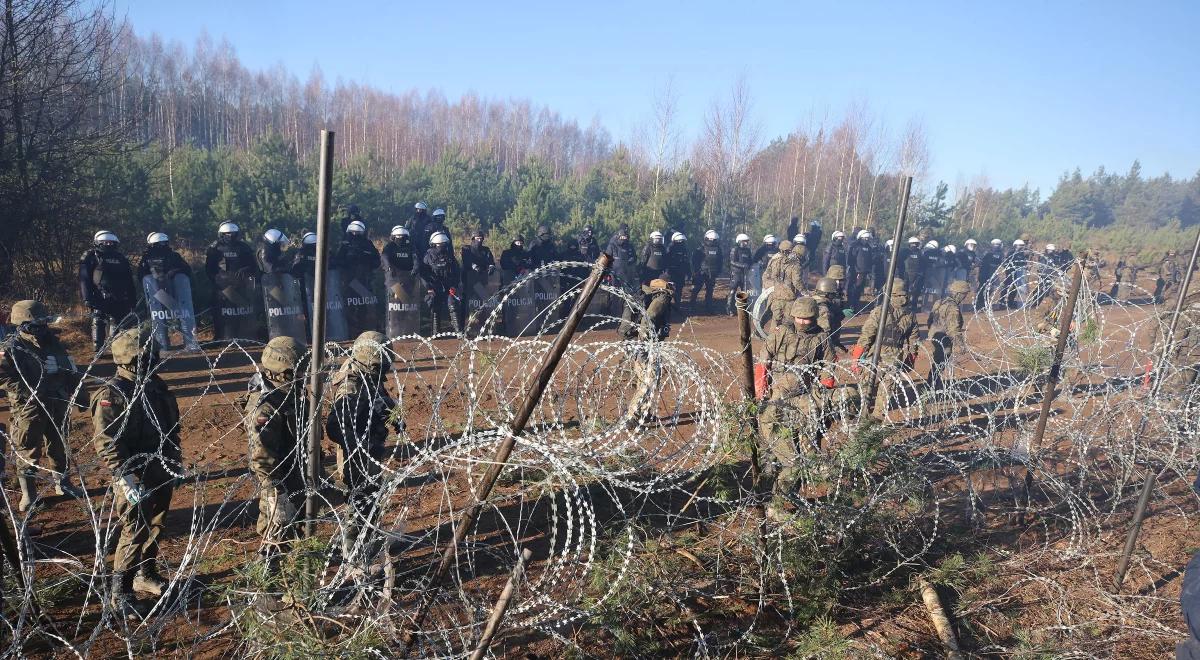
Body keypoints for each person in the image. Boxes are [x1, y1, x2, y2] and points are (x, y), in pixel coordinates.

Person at [91, 328, 180, 616]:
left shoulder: (156, 387)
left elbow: (171, 429)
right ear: (129, 359)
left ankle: (146, 572)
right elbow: (106, 442)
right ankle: (121, 590)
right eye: (147, 357)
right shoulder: (112, 394)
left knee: (157, 523)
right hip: (132, 472)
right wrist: (125, 477)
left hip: (160, 467)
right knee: (135, 526)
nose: (153, 361)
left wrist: (175, 461)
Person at [0, 300, 87, 512]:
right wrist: (28, 391)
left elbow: (70, 368)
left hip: (56, 400)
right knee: (28, 448)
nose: (41, 327)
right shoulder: (11, 347)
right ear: (22, 324)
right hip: (28, 407)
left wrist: (80, 393)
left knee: (59, 444)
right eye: (36, 323)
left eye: (43, 322)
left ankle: (63, 483)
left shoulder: (53, 342)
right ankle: (29, 494)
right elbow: (3, 376)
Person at [325, 331, 402, 564]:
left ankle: (366, 540)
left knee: (370, 499)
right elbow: (335, 426)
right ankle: (354, 555)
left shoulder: (369, 374)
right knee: (359, 500)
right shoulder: (351, 384)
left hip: (370, 448)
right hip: (357, 453)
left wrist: (391, 413)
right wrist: (359, 447)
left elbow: (379, 398)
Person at [757, 297, 835, 519]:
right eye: (799, 317)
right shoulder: (781, 332)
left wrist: (823, 394)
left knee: (801, 452)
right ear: (793, 316)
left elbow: (829, 367)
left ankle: (782, 498)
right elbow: (765, 358)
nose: (802, 322)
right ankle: (767, 494)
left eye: (807, 318)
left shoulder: (821, 337)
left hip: (803, 400)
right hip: (776, 399)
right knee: (773, 449)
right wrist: (761, 386)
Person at [244, 336, 310, 573]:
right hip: (280, 480)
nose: (305, 375)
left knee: (298, 528)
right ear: (285, 371)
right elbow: (262, 456)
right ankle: (267, 583)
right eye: (300, 370)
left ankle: (293, 575)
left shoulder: (289, 395)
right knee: (277, 531)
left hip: (296, 474)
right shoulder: (267, 406)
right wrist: (276, 495)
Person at [850, 280, 919, 421]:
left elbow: (866, 336)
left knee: (866, 388)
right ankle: (875, 421)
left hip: (876, 356)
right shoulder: (910, 315)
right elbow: (914, 341)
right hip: (895, 359)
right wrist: (910, 360)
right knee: (885, 393)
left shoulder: (879, 311)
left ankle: (858, 414)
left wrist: (856, 358)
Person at [621, 278, 673, 424]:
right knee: (647, 380)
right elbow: (647, 320)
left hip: (642, 344)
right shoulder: (662, 299)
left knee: (647, 379)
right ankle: (633, 417)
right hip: (644, 346)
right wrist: (644, 347)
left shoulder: (654, 298)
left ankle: (644, 412)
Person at [138, 232, 200, 351]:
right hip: (169, 294)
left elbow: (141, 275)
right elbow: (187, 270)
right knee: (180, 316)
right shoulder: (172, 256)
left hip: (161, 294)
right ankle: (188, 344)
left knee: (163, 318)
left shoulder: (149, 258)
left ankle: (167, 345)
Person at [80, 230, 137, 353]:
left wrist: (132, 299)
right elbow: (85, 279)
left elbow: (129, 280)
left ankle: (115, 347)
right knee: (98, 319)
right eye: (106, 242)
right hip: (100, 295)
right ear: (98, 243)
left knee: (118, 322)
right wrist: (87, 298)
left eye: (111, 242)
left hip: (120, 296)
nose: (108, 244)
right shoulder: (91, 257)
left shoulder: (121, 258)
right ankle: (98, 348)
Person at [205, 222, 259, 338]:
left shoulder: (243, 247)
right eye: (227, 234)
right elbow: (209, 269)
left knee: (243, 312)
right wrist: (217, 281)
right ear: (221, 234)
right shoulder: (215, 248)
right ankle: (221, 337)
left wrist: (245, 270)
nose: (230, 236)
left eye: (232, 234)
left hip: (242, 286)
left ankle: (246, 336)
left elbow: (253, 266)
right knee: (221, 313)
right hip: (222, 288)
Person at [927, 280, 970, 391]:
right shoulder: (953, 308)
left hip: (933, 335)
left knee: (937, 361)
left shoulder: (939, 302)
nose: (964, 298)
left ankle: (934, 383)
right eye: (964, 295)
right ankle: (931, 386)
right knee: (940, 363)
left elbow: (929, 320)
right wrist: (961, 344)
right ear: (958, 294)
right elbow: (954, 330)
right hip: (944, 339)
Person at [421, 232, 461, 333]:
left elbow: (457, 271)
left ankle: (459, 332)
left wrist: (454, 286)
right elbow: (424, 274)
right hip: (434, 287)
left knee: (452, 304)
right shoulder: (428, 256)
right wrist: (429, 288)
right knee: (435, 307)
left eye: (444, 244)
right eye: (439, 244)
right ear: (433, 244)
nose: (441, 247)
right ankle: (435, 333)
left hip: (449, 287)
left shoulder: (449, 256)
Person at [766, 241, 805, 331]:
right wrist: (805, 293)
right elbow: (797, 282)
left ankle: (772, 341)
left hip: (776, 297)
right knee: (789, 323)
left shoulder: (776, 261)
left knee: (776, 321)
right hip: (789, 300)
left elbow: (770, 276)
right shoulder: (796, 265)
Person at [812, 276, 848, 355]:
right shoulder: (824, 309)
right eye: (833, 294)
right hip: (818, 345)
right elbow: (826, 333)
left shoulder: (813, 300)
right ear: (828, 294)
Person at [690, 230, 723, 313]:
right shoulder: (700, 249)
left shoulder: (718, 249)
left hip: (712, 274)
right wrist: (696, 271)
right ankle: (692, 306)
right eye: (711, 240)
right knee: (696, 289)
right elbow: (694, 260)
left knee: (709, 291)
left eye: (714, 240)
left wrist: (718, 271)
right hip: (701, 273)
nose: (712, 241)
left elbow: (720, 261)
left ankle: (709, 308)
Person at [846, 229, 875, 311]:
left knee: (859, 290)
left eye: (867, 238)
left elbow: (870, 260)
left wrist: (869, 271)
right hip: (855, 272)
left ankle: (856, 306)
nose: (866, 239)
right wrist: (856, 270)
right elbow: (851, 259)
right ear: (860, 237)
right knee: (853, 289)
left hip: (864, 273)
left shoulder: (869, 248)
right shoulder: (855, 246)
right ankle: (851, 306)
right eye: (864, 238)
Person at [726, 233, 754, 316]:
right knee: (732, 291)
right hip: (736, 274)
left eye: (746, 242)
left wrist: (753, 264)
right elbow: (732, 261)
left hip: (745, 274)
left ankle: (743, 309)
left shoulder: (748, 250)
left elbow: (750, 260)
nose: (745, 243)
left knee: (744, 291)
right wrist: (742, 265)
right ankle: (729, 308)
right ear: (739, 241)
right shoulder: (735, 249)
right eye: (744, 241)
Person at [977, 239, 1005, 309]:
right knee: (983, 287)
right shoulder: (987, 253)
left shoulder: (1000, 253)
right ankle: (980, 302)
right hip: (985, 272)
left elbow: (1002, 262)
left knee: (993, 287)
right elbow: (982, 262)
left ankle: (986, 301)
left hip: (993, 272)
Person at [666, 232, 692, 306]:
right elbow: (666, 261)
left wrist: (689, 272)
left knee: (679, 289)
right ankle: (668, 304)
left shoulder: (684, 249)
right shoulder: (670, 248)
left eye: (682, 241)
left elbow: (687, 262)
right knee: (670, 289)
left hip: (681, 273)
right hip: (672, 273)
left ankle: (677, 304)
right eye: (679, 240)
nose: (680, 242)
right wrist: (667, 271)